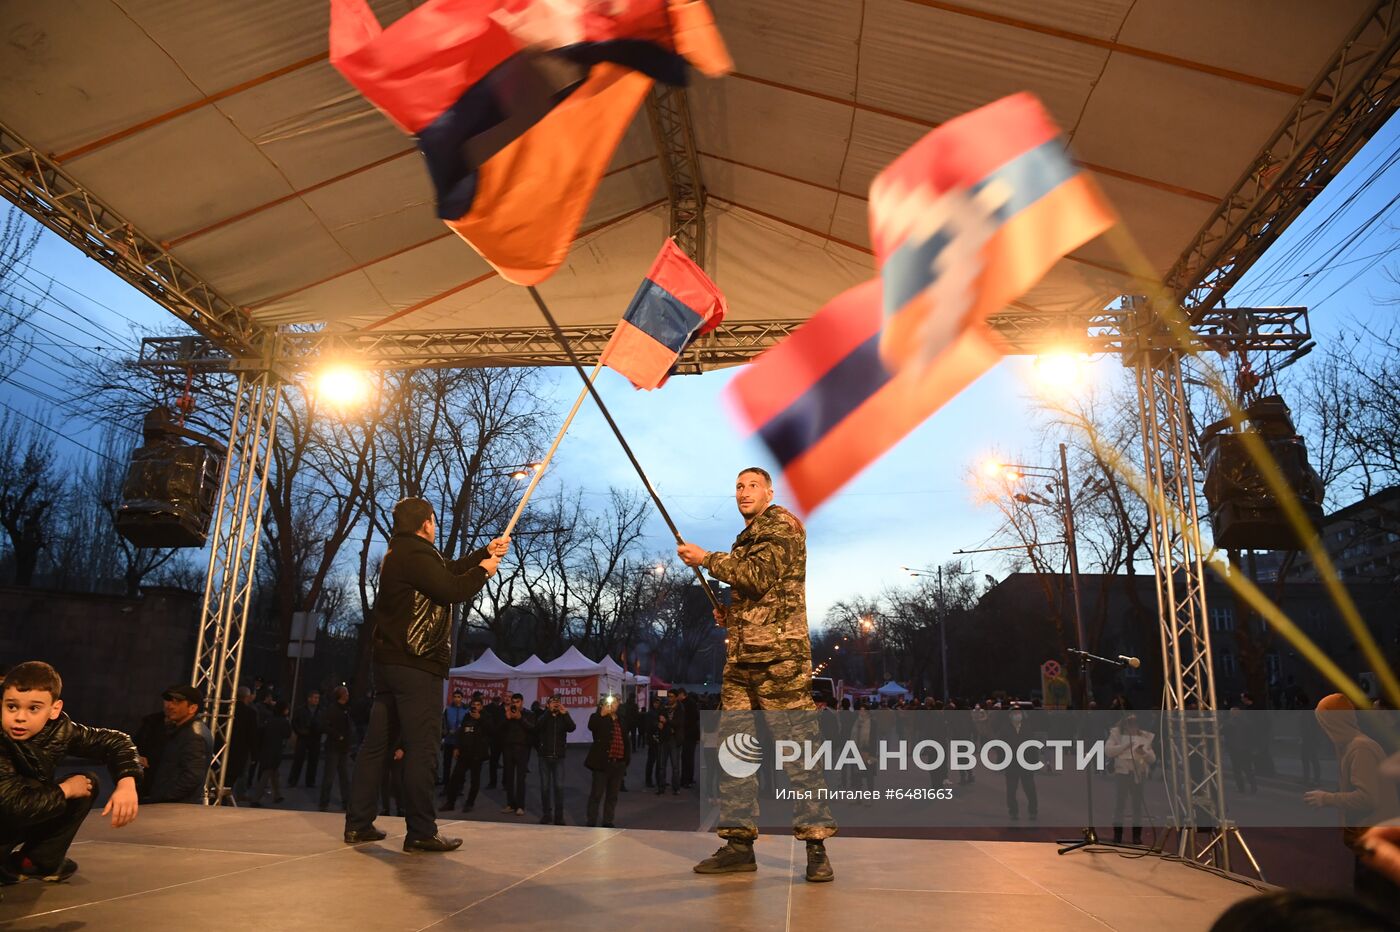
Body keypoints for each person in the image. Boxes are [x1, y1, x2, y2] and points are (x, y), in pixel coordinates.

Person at [678, 466, 835, 883]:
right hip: (743, 660)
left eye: (751, 486)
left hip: (780, 662)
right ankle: (738, 846)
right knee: (735, 755)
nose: (743, 492)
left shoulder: (781, 524)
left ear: (769, 491)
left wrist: (705, 558)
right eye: (738, 486)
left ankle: (816, 849)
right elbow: (762, 594)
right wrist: (732, 614)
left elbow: (758, 575)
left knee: (799, 756)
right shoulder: (747, 538)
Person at [344, 496, 507, 853]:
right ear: (427, 523)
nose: (436, 524)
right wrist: (484, 571)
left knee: (377, 746)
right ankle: (421, 830)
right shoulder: (415, 555)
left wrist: (484, 551)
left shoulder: (401, 553)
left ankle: (358, 823)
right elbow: (451, 588)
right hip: (416, 663)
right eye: (434, 520)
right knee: (423, 748)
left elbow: (445, 569)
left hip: (391, 664)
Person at [0, 661, 141, 886]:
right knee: (59, 788)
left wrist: (126, 783)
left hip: (18, 815)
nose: (20, 717)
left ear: (54, 709)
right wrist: (65, 790)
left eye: (33, 708)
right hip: (9, 812)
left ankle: (36, 860)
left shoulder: (60, 730)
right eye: (12, 706)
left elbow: (117, 741)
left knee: (86, 784)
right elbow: (13, 806)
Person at [1307, 694, 1400, 913]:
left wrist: (1326, 798)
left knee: (1377, 904)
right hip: (1370, 837)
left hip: (1376, 838)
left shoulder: (1360, 748)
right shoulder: (1352, 746)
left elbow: (1367, 798)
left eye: (1324, 722)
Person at [142, 684, 214, 805]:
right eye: (168, 701)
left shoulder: (193, 735)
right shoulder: (182, 730)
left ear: (192, 708)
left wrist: (163, 796)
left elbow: (192, 776)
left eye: (177, 702)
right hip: (171, 805)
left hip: (176, 807)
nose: (169, 706)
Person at [1106, 712, 1155, 844]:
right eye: (1129, 724)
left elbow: (1152, 758)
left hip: (1138, 774)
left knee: (1137, 806)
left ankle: (1136, 836)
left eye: (1134, 724)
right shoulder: (1116, 734)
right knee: (1119, 804)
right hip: (1122, 773)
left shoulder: (1144, 736)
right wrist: (1124, 746)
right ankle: (1117, 835)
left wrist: (1143, 753)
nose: (1132, 728)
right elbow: (1108, 750)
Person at [585, 695, 629, 827]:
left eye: (616, 703)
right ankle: (591, 820)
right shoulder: (597, 717)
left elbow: (625, 739)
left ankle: (608, 821)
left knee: (612, 795)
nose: (614, 705)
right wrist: (601, 714)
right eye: (611, 702)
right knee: (597, 794)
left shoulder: (621, 719)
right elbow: (592, 727)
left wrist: (626, 759)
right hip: (602, 763)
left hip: (618, 763)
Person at [443, 696, 491, 812]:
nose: (475, 706)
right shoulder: (467, 716)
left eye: (478, 705)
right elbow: (461, 732)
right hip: (464, 753)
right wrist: (456, 747)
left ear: (482, 706)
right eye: (473, 704)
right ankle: (450, 803)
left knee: (474, 781)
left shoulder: (486, 717)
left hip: (477, 754)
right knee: (455, 779)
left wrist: (480, 719)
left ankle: (470, 803)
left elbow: (491, 731)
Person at [535, 694, 576, 825]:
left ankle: (559, 816)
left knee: (559, 787)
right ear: (547, 705)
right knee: (545, 787)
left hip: (559, 757)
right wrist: (548, 712)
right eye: (552, 703)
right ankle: (547, 814)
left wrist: (566, 714)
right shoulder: (544, 716)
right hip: (544, 756)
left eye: (557, 703)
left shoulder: (562, 717)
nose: (555, 705)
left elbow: (572, 728)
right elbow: (538, 726)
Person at [318, 686, 355, 812]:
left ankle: (346, 801)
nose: (348, 695)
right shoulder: (332, 709)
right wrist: (337, 735)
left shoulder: (346, 709)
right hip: (334, 747)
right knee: (329, 776)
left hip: (344, 748)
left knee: (344, 777)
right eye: (346, 693)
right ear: (341, 695)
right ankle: (324, 802)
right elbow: (323, 725)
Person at [250, 701, 292, 807]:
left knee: (273, 773)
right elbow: (287, 734)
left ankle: (277, 795)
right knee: (267, 774)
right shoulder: (283, 721)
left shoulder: (269, 720)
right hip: (275, 750)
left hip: (266, 749)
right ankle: (256, 798)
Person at [499, 693, 532, 816]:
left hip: (522, 749)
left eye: (517, 702)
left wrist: (520, 718)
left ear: (522, 702)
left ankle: (520, 805)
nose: (515, 704)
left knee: (520, 778)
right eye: (513, 702)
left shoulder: (528, 714)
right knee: (509, 777)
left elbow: (533, 729)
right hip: (508, 748)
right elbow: (498, 730)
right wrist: (506, 719)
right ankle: (510, 804)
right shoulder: (507, 714)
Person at [226, 686, 258, 802]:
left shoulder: (227, 709)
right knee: (239, 773)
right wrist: (255, 753)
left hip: (225, 745)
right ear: (247, 697)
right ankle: (234, 795)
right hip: (241, 749)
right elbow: (252, 735)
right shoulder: (250, 713)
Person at [288, 689, 322, 788]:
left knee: (313, 761)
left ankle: (310, 781)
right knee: (298, 760)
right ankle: (293, 780)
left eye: (318, 698)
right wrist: (300, 731)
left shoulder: (320, 710)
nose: (316, 700)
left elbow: (324, 723)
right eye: (315, 698)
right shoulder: (301, 709)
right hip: (303, 737)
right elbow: (295, 722)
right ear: (309, 699)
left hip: (315, 738)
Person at [440, 690, 468, 787]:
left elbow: (468, 724)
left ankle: (459, 786)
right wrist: (446, 732)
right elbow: (443, 723)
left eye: (459, 696)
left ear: (462, 698)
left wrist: (461, 732)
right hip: (449, 740)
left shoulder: (466, 709)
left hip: (461, 742)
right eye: (455, 696)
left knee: (461, 765)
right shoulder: (448, 709)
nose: (457, 698)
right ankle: (446, 785)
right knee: (446, 764)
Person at [653, 702, 677, 795]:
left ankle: (675, 787)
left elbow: (678, 723)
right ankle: (661, 787)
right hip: (664, 740)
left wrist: (666, 721)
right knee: (662, 766)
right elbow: (656, 721)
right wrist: (658, 723)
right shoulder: (662, 711)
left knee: (674, 766)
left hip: (673, 740)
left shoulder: (678, 711)